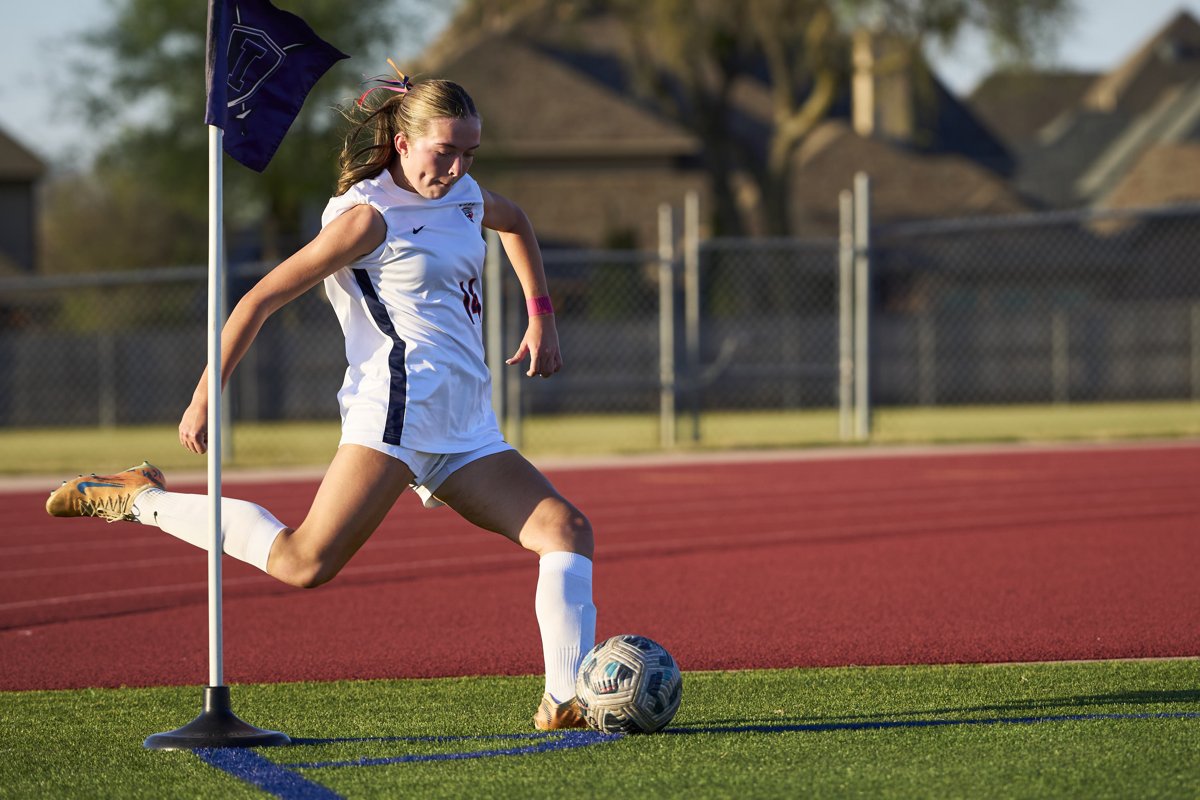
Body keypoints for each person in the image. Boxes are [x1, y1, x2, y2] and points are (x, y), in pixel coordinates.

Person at [45, 69, 596, 731]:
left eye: (469, 154)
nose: (455, 168)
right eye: (443, 151)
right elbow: (259, 299)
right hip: (393, 413)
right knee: (304, 564)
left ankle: (563, 700)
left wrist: (542, 315)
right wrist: (204, 396)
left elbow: (515, 221)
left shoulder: (467, 196)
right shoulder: (369, 217)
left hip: (465, 420)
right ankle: (139, 497)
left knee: (566, 533)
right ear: (400, 140)